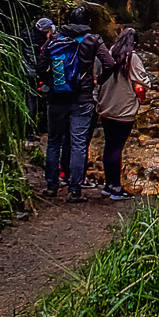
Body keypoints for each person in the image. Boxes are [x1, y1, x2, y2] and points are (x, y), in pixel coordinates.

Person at [35, 11, 114, 202]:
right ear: (88, 22)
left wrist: (51, 83)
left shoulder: (54, 40)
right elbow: (110, 63)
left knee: (54, 142)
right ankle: (75, 190)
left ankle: (52, 186)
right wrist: (98, 80)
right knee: (78, 144)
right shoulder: (93, 40)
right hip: (82, 99)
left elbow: (40, 67)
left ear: (67, 21)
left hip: (56, 99)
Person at [94, 26, 149, 200]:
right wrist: (141, 97)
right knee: (117, 147)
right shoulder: (132, 58)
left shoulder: (108, 54)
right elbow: (142, 81)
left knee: (109, 146)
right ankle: (116, 188)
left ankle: (108, 185)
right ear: (134, 43)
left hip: (107, 107)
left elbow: (97, 76)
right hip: (124, 110)